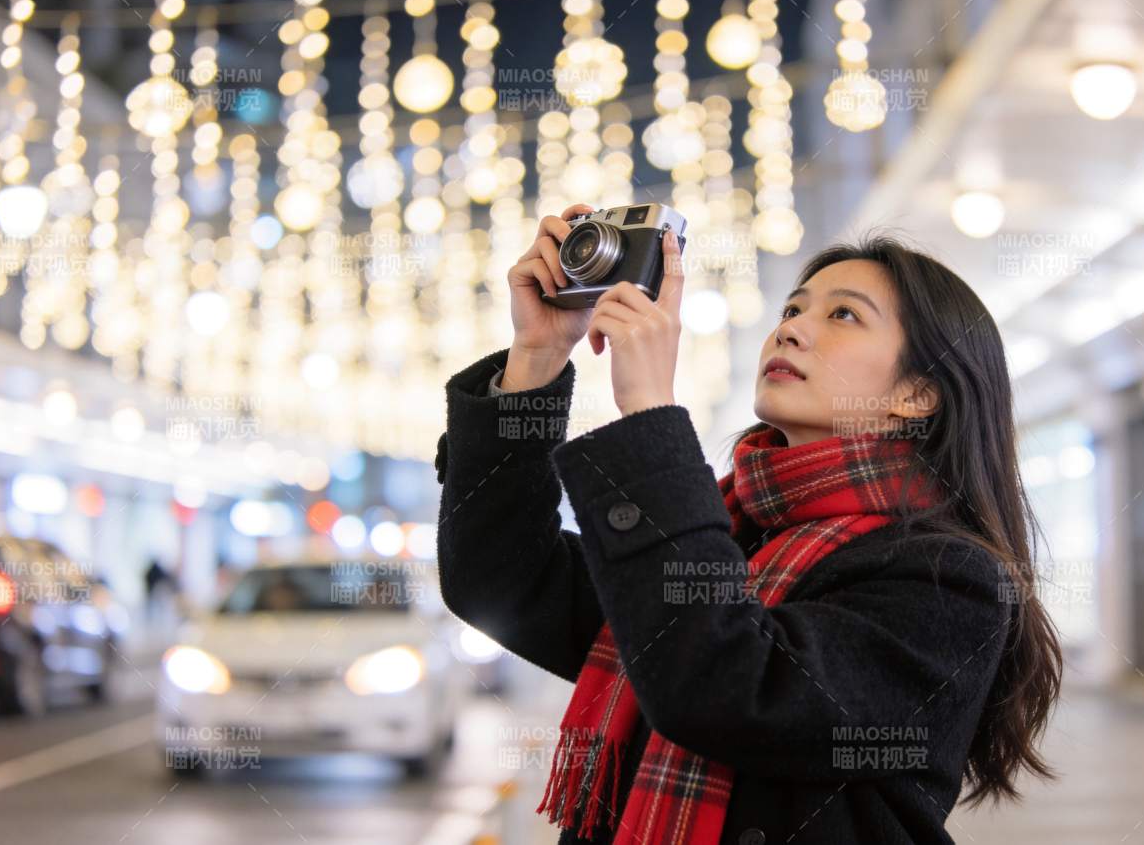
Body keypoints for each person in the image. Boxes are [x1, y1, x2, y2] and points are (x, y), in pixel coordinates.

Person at [434, 204, 1062, 844]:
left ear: (917, 394)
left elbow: (725, 684)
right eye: (792, 310)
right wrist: (537, 356)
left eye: (842, 314)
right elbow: (500, 581)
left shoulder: (951, 579)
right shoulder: (733, 531)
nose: (790, 331)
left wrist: (650, 414)